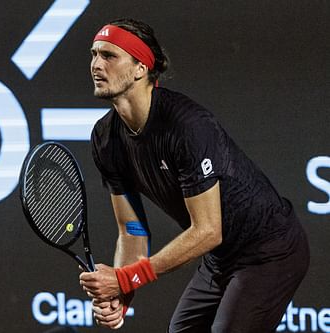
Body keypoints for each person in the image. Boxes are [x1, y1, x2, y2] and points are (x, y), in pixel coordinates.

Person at [79, 18, 310, 332]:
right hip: (219, 260)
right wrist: (123, 291)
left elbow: (208, 230)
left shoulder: (186, 125)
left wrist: (125, 278)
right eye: (94, 54)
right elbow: (132, 231)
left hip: (269, 251)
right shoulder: (105, 138)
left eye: (108, 56)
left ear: (140, 68)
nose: (96, 64)